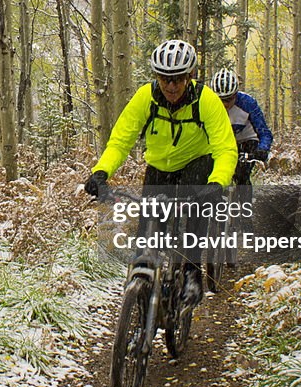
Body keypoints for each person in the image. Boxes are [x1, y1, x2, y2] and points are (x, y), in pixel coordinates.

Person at [84, 39, 238, 307]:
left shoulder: (207, 101)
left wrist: (217, 183)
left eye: (178, 79)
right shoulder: (146, 97)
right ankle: (142, 290)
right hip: (159, 169)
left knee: (195, 216)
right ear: (156, 76)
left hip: (196, 165)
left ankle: (191, 274)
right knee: (148, 233)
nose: (171, 86)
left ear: (189, 76)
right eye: (164, 78)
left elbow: (225, 148)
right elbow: (120, 141)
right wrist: (101, 172)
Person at [209, 68, 272, 186]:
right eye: (221, 100)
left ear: (236, 95)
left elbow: (264, 132)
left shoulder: (247, 103)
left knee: (241, 175)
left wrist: (263, 149)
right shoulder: (209, 104)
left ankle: (244, 202)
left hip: (246, 141)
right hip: (223, 142)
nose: (225, 104)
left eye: (229, 99)